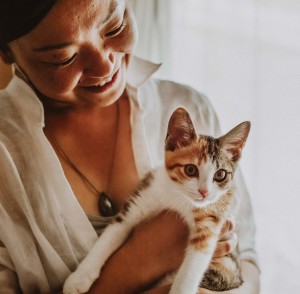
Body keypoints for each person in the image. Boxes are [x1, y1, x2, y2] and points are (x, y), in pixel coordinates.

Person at [0, 0, 260, 293]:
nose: (104, 66)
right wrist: (140, 260)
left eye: (115, 25)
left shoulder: (190, 107)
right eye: (64, 57)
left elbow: (247, 255)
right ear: (7, 51)